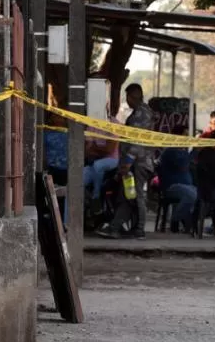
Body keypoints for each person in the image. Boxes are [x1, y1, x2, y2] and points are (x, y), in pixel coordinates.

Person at [117, 83, 155, 239]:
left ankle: (139, 229)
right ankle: (133, 227)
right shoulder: (140, 112)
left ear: (132, 96)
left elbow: (137, 142)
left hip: (139, 162)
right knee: (130, 195)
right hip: (137, 161)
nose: (127, 101)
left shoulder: (142, 113)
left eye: (127, 97)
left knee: (137, 195)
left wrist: (127, 162)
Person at [156, 126, 197, 232]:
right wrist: (195, 151)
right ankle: (175, 220)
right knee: (191, 195)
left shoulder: (182, 152)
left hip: (186, 186)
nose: (187, 138)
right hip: (172, 187)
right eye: (185, 135)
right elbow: (182, 165)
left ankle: (189, 226)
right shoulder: (170, 151)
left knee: (201, 195)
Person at [82, 115, 120, 214]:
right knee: (75, 181)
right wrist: (100, 149)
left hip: (112, 160)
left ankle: (96, 197)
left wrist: (95, 148)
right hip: (94, 162)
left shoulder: (114, 123)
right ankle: (66, 223)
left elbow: (110, 149)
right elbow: (87, 150)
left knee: (98, 165)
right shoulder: (92, 123)